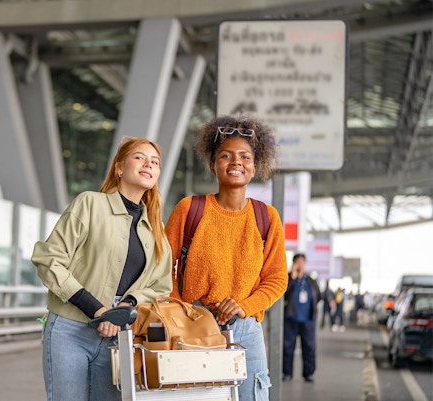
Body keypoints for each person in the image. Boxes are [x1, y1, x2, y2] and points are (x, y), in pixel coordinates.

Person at [32, 136, 173, 401]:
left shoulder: (156, 230)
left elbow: (161, 286)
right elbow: (49, 259)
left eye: (154, 162)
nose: (148, 164)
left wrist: (123, 309)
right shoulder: (89, 204)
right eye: (140, 157)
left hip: (120, 336)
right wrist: (98, 310)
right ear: (120, 168)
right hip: (70, 329)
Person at [165, 115, 288, 401]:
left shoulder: (266, 217)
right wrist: (181, 312)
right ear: (213, 165)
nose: (236, 162)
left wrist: (245, 306)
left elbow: (277, 278)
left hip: (246, 331)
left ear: (254, 167)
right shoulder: (189, 209)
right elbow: (161, 266)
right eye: (226, 156)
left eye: (245, 156)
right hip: (194, 326)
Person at [282, 253, 322, 382]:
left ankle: (309, 373)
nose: (300, 264)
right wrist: (292, 278)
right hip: (291, 319)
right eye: (297, 262)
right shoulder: (288, 279)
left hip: (308, 320)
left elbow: (319, 296)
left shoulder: (310, 280)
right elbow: (284, 295)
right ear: (293, 264)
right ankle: (287, 373)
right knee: (288, 347)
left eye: (302, 262)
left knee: (309, 347)